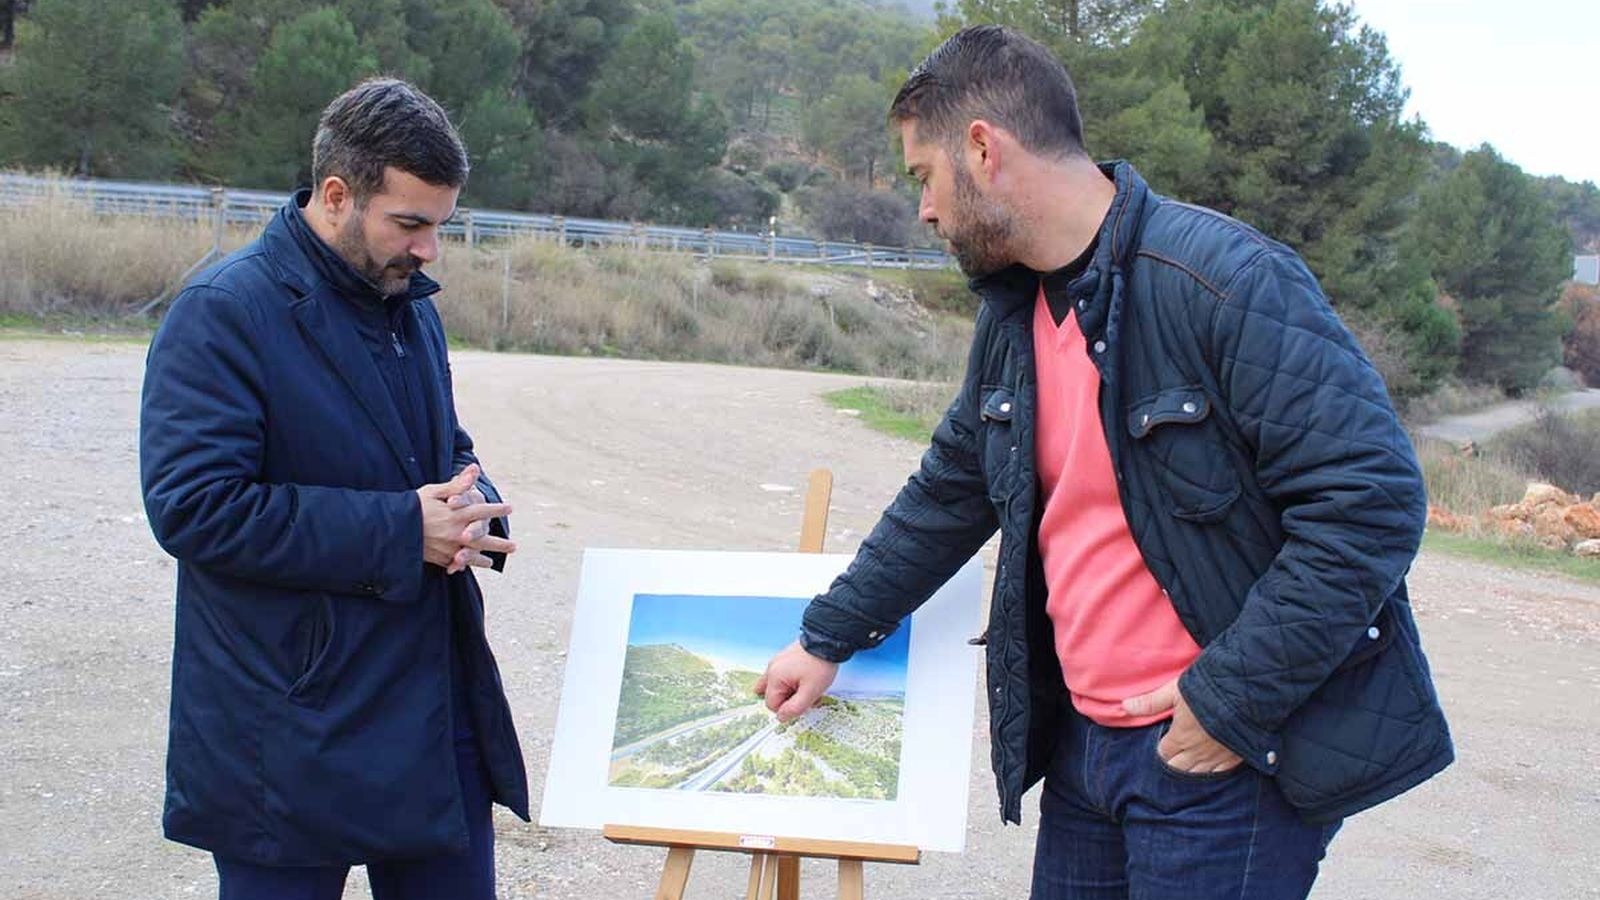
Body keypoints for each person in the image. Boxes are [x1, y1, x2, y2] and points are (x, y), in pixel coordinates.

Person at [757, 25, 1452, 900]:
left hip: (1217, 758)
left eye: (923, 178)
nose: (925, 209)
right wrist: (825, 637)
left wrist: (1229, 700)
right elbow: (950, 491)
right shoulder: (1012, 314)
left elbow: (1371, 503)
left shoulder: (1225, 281)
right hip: (1085, 750)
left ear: (983, 149)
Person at [140, 78, 527, 900]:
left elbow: (440, 447)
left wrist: (470, 503)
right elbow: (194, 507)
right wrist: (399, 530)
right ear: (337, 194)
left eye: (440, 227)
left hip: (426, 705)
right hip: (285, 721)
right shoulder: (223, 311)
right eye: (411, 224)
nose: (430, 252)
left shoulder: (409, 305)